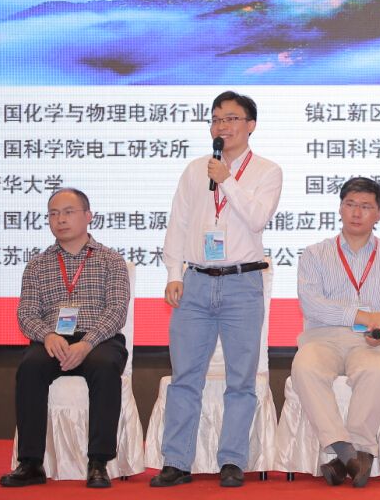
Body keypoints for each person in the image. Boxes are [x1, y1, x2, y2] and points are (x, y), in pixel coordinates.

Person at [151, 91, 283, 488]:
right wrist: (173, 273)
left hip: (243, 283)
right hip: (195, 282)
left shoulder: (267, 171)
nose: (221, 126)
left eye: (230, 119)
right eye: (216, 119)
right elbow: (178, 222)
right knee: (185, 377)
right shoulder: (195, 170)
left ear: (250, 125)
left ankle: (232, 460)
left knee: (240, 380)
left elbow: (257, 219)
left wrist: (228, 181)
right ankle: (176, 461)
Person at [290, 177, 380, 488]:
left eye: (365, 206)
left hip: (370, 340)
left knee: (377, 370)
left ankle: (350, 455)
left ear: (379, 213)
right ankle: (349, 451)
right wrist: (362, 315)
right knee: (304, 367)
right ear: (340, 208)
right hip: (323, 337)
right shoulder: (315, 254)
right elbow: (312, 305)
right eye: (350, 204)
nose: (356, 213)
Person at [0, 188, 129, 489]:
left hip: (99, 340)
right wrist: (46, 334)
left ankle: (98, 463)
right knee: (30, 367)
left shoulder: (111, 260)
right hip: (53, 340)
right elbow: (26, 313)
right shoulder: (37, 264)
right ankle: (31, 463)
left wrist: (87, 342)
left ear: (88, 216)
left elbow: (117, 310)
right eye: (54, 214)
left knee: (104, 366)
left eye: (68, 212)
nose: (60, 219)